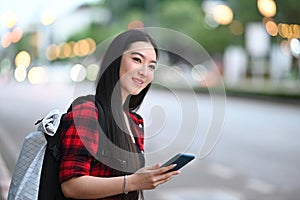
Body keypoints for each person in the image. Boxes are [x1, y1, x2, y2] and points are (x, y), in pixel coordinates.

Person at [59, 29, 180, 200]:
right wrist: (133, 182)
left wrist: (141, 177)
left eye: (151, 66)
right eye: (137, 59)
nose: (144, 72)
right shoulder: (88, 112)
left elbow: (122, 178)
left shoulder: (135, 122)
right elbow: (72, 186)